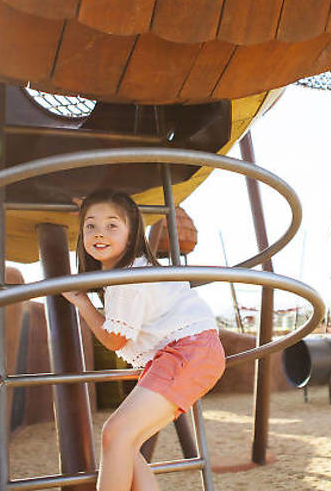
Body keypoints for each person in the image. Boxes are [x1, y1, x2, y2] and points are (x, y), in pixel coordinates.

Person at [62, 189, 225, 491]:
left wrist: (83, 303)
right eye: (90, 225)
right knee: (126, 443)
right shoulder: (124, 276)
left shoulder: (128, 278)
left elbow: (113, 340)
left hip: (187, 351)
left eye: (112, 225)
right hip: (189, 351)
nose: (99, 233)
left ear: (132, 233)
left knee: (116, 433)